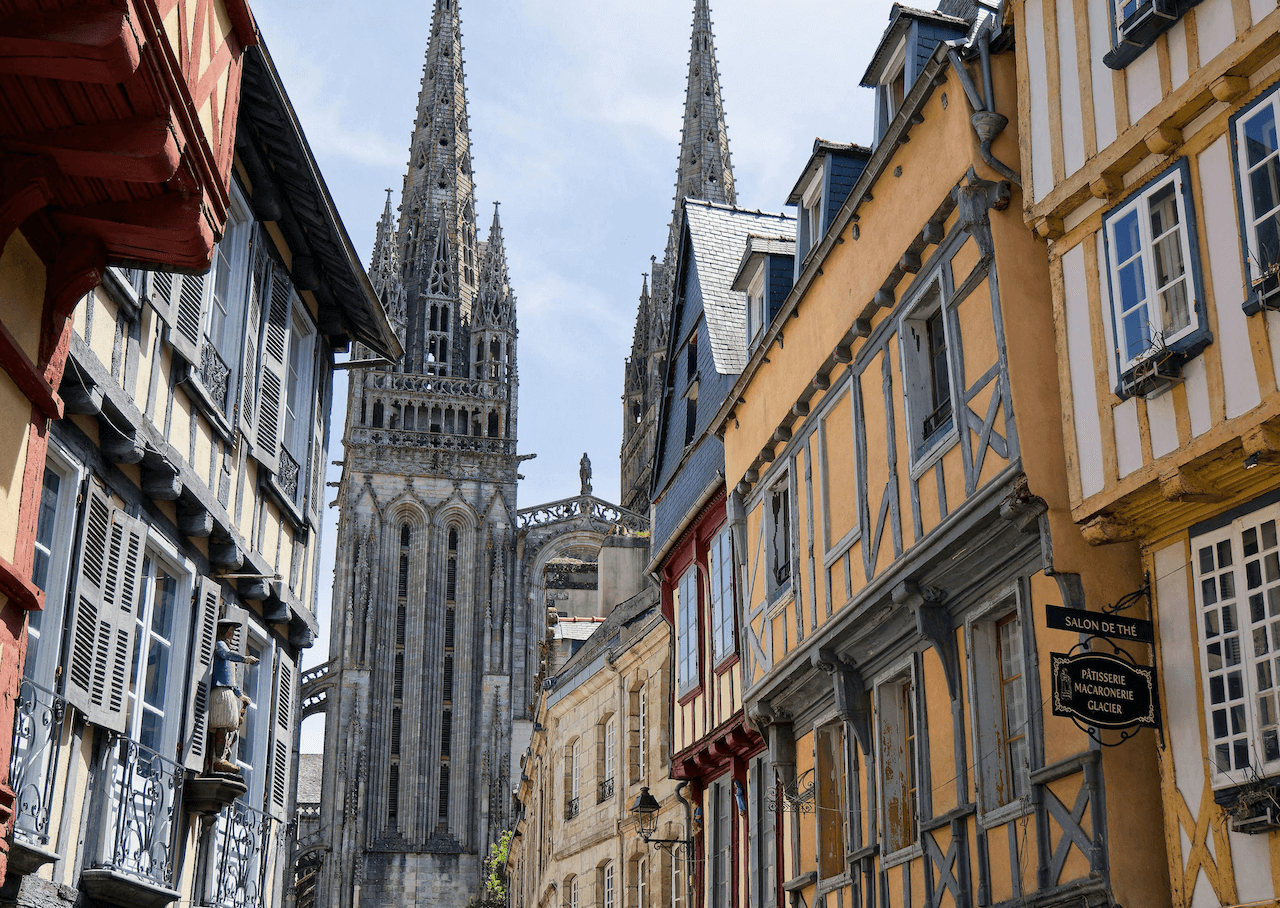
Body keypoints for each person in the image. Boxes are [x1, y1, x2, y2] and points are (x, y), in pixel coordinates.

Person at [209, 618, 259, 775]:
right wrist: (244, 659)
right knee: (223, 724)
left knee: (233, 729)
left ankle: (223, 757)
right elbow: (226, 654)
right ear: (224, 631)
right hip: (220, 691)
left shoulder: (227, 653)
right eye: (231, 630)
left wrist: (240, 695)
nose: (232, 634)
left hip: (228, 691)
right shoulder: (220, 645)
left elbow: (231, 680)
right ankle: (218, 760)